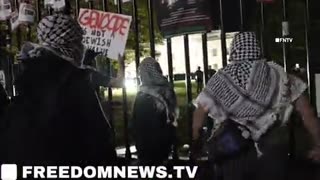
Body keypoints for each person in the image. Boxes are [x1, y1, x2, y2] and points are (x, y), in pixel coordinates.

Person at [191, 32, 320, 180]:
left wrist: (196, 140)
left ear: (234, 49)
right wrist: (317, 144)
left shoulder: (222, 78)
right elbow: (307, 113)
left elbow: (200, 112)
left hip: (233, 147)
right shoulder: (278, 75)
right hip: (273, 148)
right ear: (257, 48)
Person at [0, 13, 119, 165]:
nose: (82, 46)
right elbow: (99, 148)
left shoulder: (28, 79)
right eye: (79, 41)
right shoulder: (75, 83)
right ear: (70, 44)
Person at [131, 57, 178, 165]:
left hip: (146, 142)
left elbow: (136, 121)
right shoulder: (167, 89)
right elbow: (174, 114)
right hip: (165, 139)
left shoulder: (143, 94)